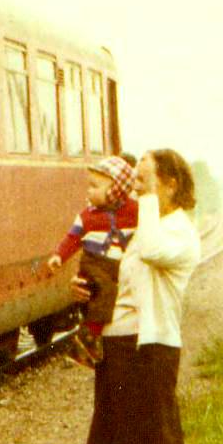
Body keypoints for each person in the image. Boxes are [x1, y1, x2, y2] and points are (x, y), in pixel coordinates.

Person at [75, 149, 202, 444]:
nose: (135, 190)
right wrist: (85, 289)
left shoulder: (178, 231)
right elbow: (119, 280)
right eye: (135, 183)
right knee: (122, 435)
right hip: (117, 339)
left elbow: (151, 252)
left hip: (153, 343)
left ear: (171, 184)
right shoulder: (141, 227)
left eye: (144, 182)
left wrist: (144, 202)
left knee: (158, 434)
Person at [46, 155, 139, 365]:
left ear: (116, 190)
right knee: (100, 292)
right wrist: (59, 256)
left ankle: (90, 338)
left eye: (95, 186)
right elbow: (73, 237)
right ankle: (89, 337)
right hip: (94, 263)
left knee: (110, 293)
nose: (89, 191)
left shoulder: (135, 211)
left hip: (119, 265)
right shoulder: (87, 216)